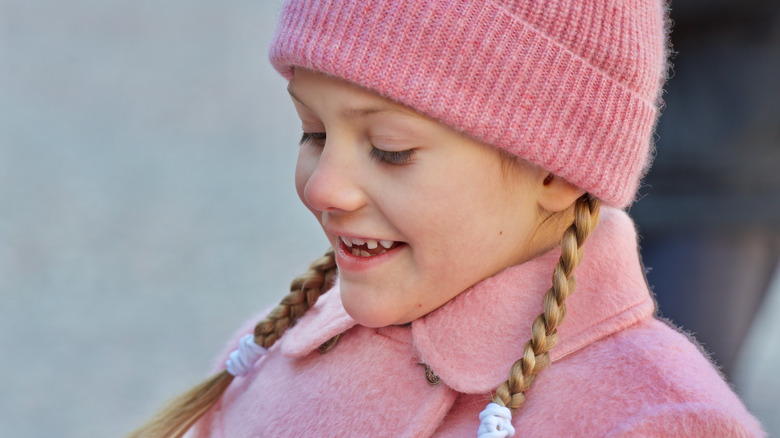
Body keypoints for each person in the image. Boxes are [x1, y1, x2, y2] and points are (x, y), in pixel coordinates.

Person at [130, 0, 765, 436]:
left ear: (554, 170)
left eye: (390, 149)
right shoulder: (272, 360)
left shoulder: (654, 418)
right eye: (314, 132)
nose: (325, 187)